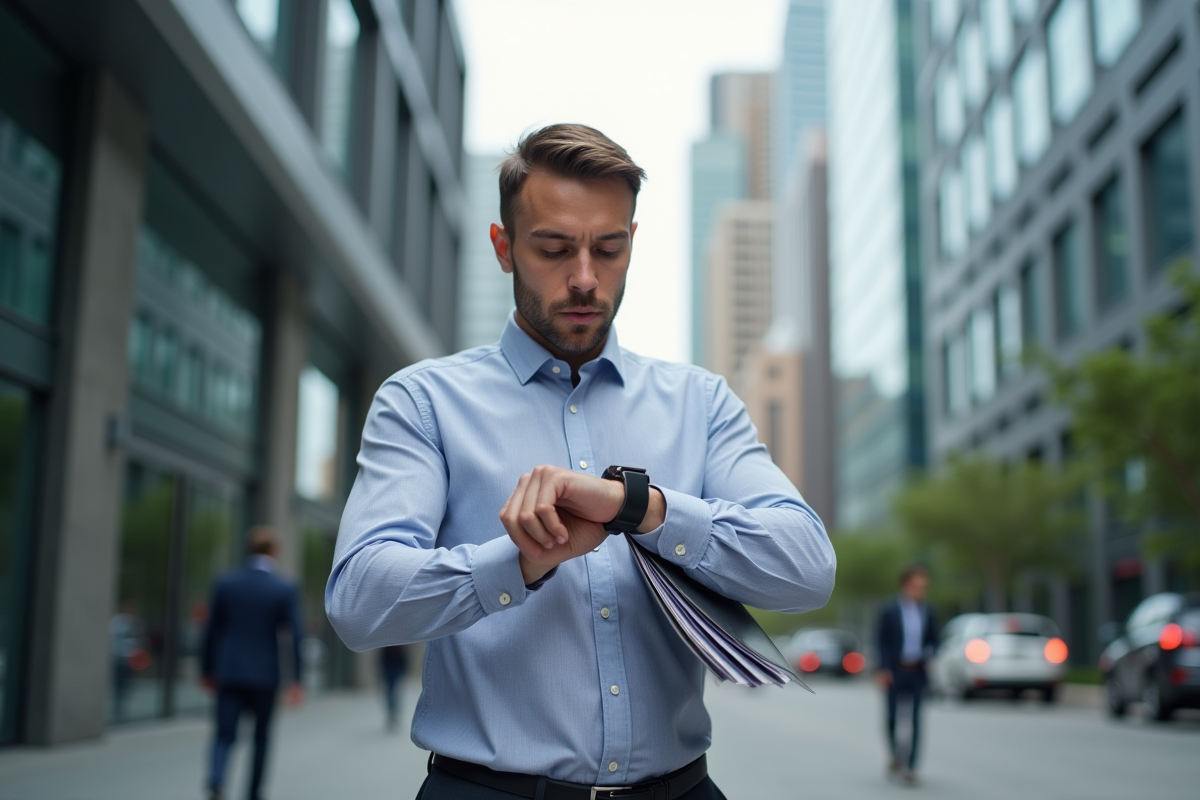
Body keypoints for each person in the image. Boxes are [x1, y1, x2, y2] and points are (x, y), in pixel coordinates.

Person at [327, 123, 836, 800]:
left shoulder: (701, 403)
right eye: (555, 249)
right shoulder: (424, 404)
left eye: (609, 248)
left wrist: (645, 510)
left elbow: (806, 567)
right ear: (504, 249)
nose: (586, 278)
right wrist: (522, 563)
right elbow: (359, 600)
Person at [202, 526, 305, 800]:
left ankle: (216, 779)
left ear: (249, 549)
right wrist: (296, 679)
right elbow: (295, 636)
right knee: (261, 738)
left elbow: (211, 630)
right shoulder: (284, 588)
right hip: (264, 675)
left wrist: (207, 669)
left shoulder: (226, 583)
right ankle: (254, 792)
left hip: (230, 671)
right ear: (274, 551)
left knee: (224, 734)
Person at [875, 564, 938, 786]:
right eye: (915, 585)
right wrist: (882, 669)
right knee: (892, 718)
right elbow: (881, 641)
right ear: (905, 585)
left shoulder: (928, 611)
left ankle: (910, 766)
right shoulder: (889, 610)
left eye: (923, 586)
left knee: (916, 720)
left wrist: (931, 655)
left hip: (918, 672)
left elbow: (933, 639)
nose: (920, 590)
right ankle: (896, 755)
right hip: (895, 671)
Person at [379, 644, 409, 731]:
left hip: (396, 668)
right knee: (390, 692)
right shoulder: (387, 645)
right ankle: (391, 714)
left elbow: (403, 658)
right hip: (389, 668)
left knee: (395, 692)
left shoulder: (400, 645)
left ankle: (394, 714)